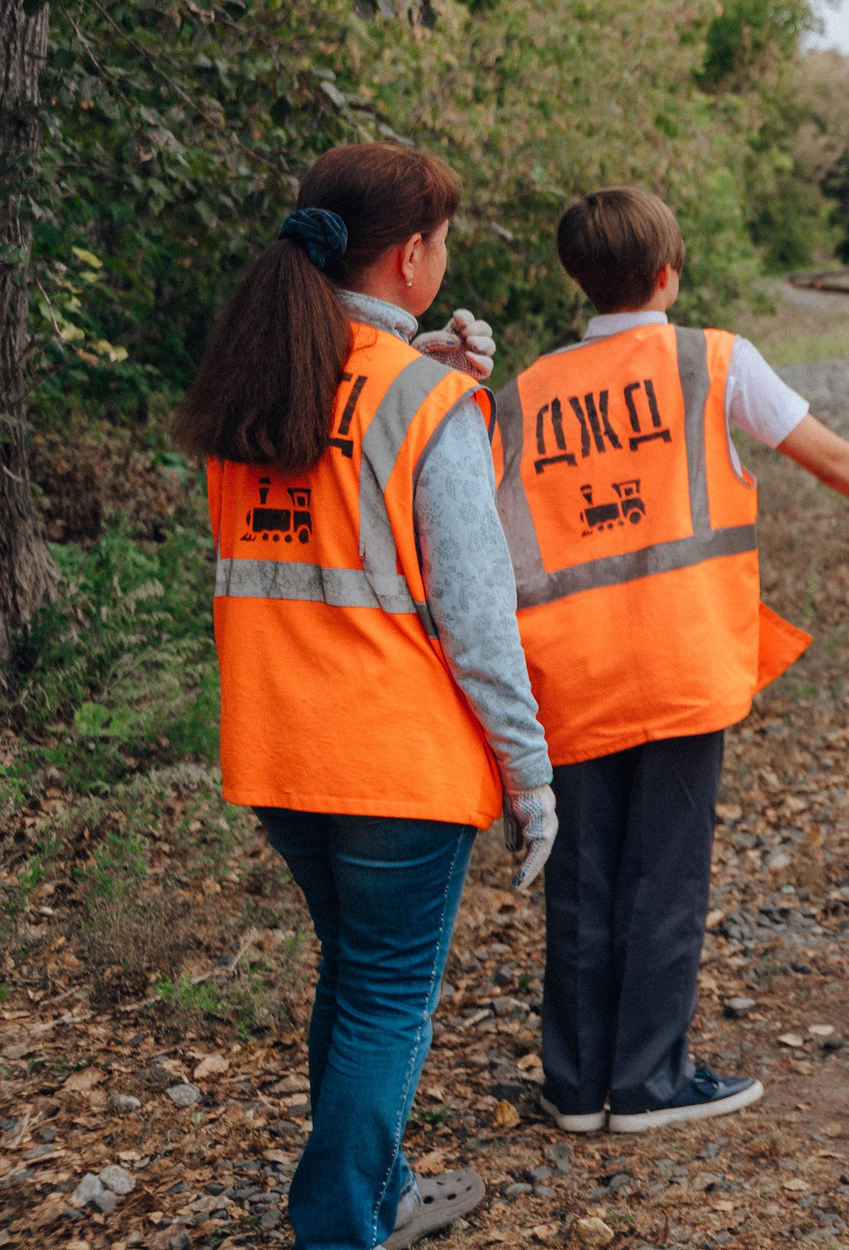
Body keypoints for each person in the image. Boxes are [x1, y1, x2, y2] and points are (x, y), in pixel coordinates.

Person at [493, 187, 849, 1135]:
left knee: (579, 880)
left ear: (579, 279)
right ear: (668, 274)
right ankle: (648, 1083)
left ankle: (575, 1086)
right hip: (681, 665)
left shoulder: (523, 394)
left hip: (565, 675)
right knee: (665, 876)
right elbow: (833, 457)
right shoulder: (712, 360)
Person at [173, 143, 558, 1250]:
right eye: (442, 240)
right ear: (409, 258)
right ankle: (342, 1225)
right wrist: (530, 774)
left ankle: (375, 1195)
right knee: (388, 1000)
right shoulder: (428, 403)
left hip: (279, 750)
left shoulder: (254, 385)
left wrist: (414, 358)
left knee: (355, 979)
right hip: (394, 761)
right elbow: (477, 618)